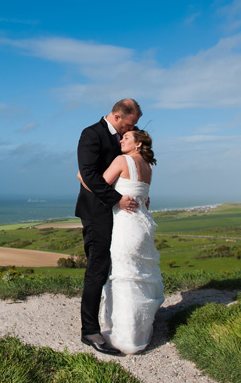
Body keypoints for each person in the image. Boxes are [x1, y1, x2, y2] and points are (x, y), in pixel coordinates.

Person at [75, 99, 142, 355]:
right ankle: (90, 331)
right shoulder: (91, 134)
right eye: (129, 123)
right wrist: (118, 199)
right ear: (116, 116)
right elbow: (89, 174)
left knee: (115, 266)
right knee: (97, 269)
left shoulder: (121, 138)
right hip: (95, 212)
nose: (130, 129)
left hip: (117, 212)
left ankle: (116, 320)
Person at [95, 129, 163, 354]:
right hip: (144, 225)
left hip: (126, 225)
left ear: (138, 144)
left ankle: (126, 340)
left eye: (127, 138)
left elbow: (100, 187)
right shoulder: (148, 167)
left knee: (124, 278)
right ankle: (139, 332)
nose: (121, 139)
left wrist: (83, 175)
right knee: (140, 277)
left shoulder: (122, 160)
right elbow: (146, 200)